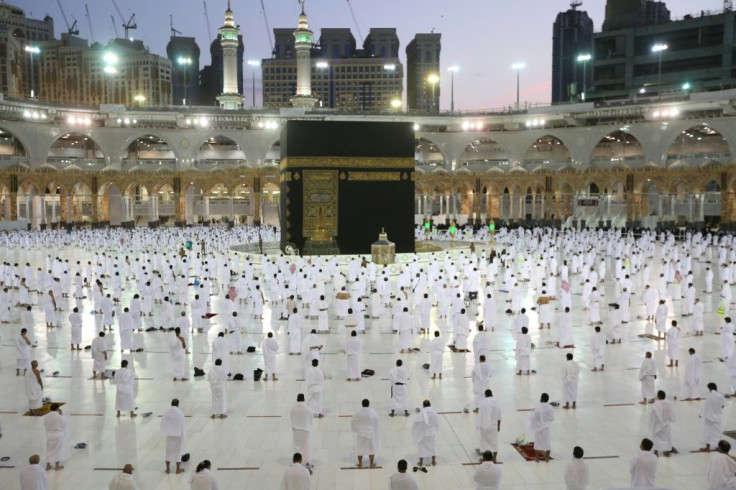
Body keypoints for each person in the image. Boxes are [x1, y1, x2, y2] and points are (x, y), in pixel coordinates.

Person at [350, 398, 379, 468]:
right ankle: (371, 463)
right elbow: (376, 418)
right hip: (369, 433)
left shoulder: (358, 412)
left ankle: (360, 464)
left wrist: (357, 429)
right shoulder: (371, 411)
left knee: (360, 448)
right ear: (368, 404)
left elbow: (352, 420)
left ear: (362, 404)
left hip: (360, 433)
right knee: (371, 449)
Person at [160, 398, 186, 474]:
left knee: (168, 452)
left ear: (171, 403)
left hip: (169, 436)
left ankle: (168, 469)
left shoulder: (166, 413)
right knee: (178, 452)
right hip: (178, 436)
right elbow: (183, 425)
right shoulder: (180, 413)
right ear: (178, 404)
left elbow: (163, 423)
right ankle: (178, 469)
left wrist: (165, 431)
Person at [649, 390, 677, 457]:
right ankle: (667, 452)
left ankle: (656, 452)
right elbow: (672, 413)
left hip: (658, 424)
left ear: (658, 396)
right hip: (666, 423)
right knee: (667, 438)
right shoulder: (668, 403)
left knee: (656, 438)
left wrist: (651, 425)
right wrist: (671, 420)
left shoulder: (656, 404)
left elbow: (652, 415)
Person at [412, 399, 439, 468]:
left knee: (421, 447)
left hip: (423, 433)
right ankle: (433, 461)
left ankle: (421, 462)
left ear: (423, 405)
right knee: (433, 446)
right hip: (432, 432)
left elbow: (415, 421)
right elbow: (437, 423)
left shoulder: (422, 413)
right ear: (430, 405)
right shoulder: (434, 412)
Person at [476, 389, 501, 462]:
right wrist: (499, 426)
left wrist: (478, 425)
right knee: (495, 441)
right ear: (492, 394)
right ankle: (494, 458)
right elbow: (499, 417)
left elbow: (480, 415)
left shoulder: (483, 402)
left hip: (485, 425)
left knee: (484, 441)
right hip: (494, 425)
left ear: (485, 395)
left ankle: (484, 458)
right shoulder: (497, 403)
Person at [528, 393, 554, 462]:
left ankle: (537, 458)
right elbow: (552, 418)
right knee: (548, 442)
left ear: (541, 399)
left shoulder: (538, 408)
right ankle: (547, 458)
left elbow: (534, 417)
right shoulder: (551, 408)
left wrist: (531, 412)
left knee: (537, 443)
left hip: (538, 428)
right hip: (547, 428)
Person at [701, 383, 726, 452]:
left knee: (708, 432)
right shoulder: (721, 396)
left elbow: (705, 406)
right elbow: (722, 406)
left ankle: (708, 448)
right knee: (717, 432)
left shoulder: (709, 396)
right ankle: (718, 447)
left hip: (709, 417)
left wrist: (701, 414)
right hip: (718, 417)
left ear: (710, 388)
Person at [43, 403, 68, 471]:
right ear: (57, 409)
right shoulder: (60, 417)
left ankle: (48, 466)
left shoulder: (46, 416)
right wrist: (61, 415)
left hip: (49, 435)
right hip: (58, 435)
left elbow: (45, 425)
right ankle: (57, 466)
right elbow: (64, 425)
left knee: (49, 450)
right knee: (58, 450)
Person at [290, 394, 313, 467]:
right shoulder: (308, 408)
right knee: (306, 446)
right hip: (306, 429)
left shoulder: (293, 408)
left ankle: (297, 462)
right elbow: (311, 418)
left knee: (297, 446)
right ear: (304, 399)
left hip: (296, 430)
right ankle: (306, 461)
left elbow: (291, 416)